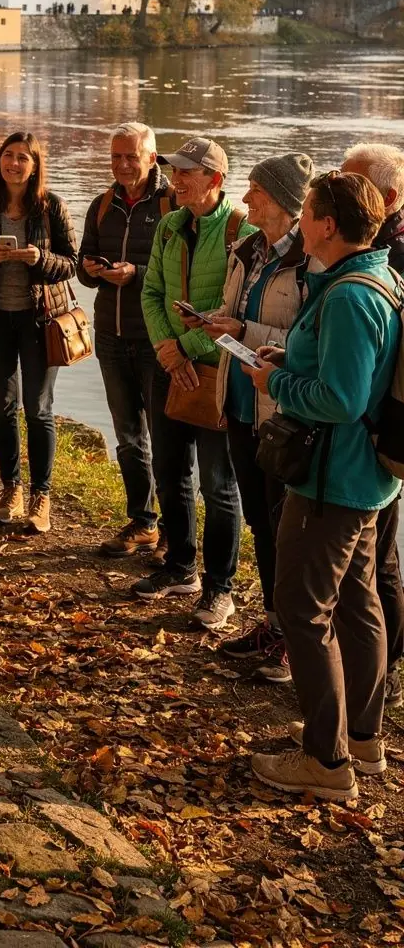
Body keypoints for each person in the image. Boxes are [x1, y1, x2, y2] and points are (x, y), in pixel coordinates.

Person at [246, 171, 401, 803]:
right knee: (360, 604)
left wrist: (274, 385)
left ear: (327, 224)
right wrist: (292, 361)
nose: (301, 224)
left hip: (331, 479)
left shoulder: (346, 297)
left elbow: (339, 399)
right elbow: (345, 372)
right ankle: (363, 739)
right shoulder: (381, 278)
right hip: (368, 480)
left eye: (307, 214)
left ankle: (326, 761)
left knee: (302, 611)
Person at [203, 153, 314, 680]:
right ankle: (273, 624)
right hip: (241, 402)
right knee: (259, 523)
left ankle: (294, 640)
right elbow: (239, 319)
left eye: (257, 192)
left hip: (283, 412)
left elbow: (307, 345)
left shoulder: (312, 261)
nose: (246, 201)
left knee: (284, 528)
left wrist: (244, 332)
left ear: (286, 203)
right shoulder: (248, 247)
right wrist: (218, 325)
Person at [138, 137, 253, 629]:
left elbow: (239, 315)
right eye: (173, 170)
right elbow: (151, 292)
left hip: (218, 374)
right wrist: (168, 350)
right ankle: (180, 566)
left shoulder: (242, 232)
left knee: (219, 485)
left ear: (215, 180)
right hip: (170, 368)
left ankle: (219, 589)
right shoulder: (168, 225)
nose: (175, 178)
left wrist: (188, 350)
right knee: (169, 469)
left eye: (186, 171)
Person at [0, 131, 77, 534]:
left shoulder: (50, 207)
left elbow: (71, 263)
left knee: (38, 409)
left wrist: (40, 259)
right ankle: (11, 489)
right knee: (2, 406)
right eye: (8, 156)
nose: (14, 163)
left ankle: (41, 495)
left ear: (34, 164)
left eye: (22, 158)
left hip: (39, 321)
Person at [77, 122, 172, 559]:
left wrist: (135, 274)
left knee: (167, 438)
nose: (122, 164)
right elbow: (81, 266)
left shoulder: (172, 204)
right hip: (111, 335)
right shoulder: (102, 204)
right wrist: (91, 270)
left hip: (157, 338)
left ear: (151, 158)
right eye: (116, 156)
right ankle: (142, 521)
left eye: (131, 156)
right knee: (128, 435)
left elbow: (182, 277)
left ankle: (175, 528)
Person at [341, 142, 404, 709]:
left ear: (385, 199)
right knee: (370, 563)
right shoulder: (375, 250)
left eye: (351, 182)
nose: (341, 188)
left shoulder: (390, 257)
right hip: (370, 434)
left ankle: (379, 682)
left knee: (378, 562)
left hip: (378, 437)